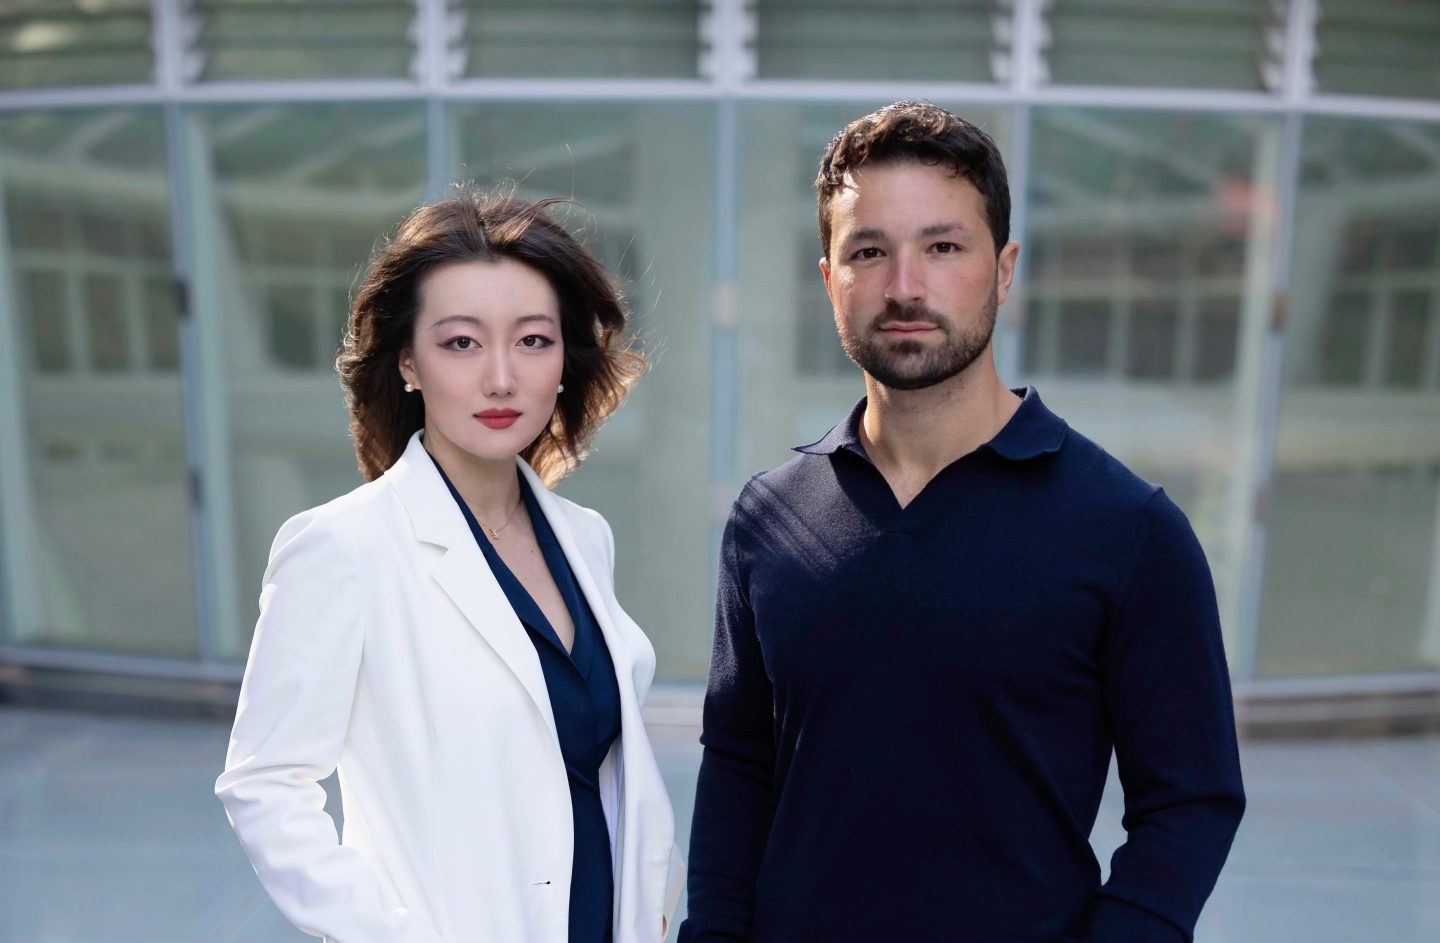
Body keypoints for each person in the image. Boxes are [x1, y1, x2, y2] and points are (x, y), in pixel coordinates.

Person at [680, 101, 1245, 943]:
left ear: (1005, 268)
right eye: (869, 251)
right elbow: (737, 768)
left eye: (943, 247)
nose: (905, 285)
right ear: (831, 277)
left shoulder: (1128, 530)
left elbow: (1191, 799)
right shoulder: (770, 520)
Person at [217, 189, 684, 943]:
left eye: (533, 340)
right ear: (407, 360)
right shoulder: (345, 548)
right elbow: (264, 785)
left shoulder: (583, 537)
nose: (501, 378)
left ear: (566, 359)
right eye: (461, 343)